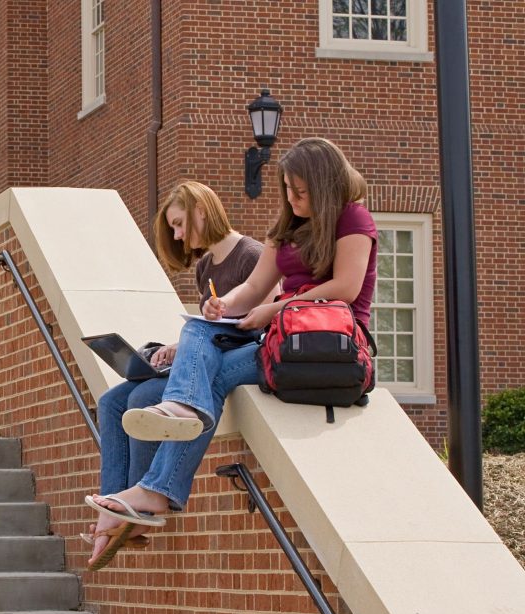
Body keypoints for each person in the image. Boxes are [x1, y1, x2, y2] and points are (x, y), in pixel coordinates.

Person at [87, 137, 378, 561]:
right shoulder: (287, 228)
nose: (293, 199)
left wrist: (274, 309)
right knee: (200, 330)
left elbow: (346, 289)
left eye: (301, 191)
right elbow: (253, 288)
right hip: (281, 338)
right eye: (288, 190)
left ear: (326, 184)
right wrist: (222, 305)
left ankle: (158, 485)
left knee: (217, 373)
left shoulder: (353, 218)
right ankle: (173, 433)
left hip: (326, 342)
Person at [87, 181, 264, 569]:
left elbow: (261, 320)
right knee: (115, 400)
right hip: (207, 351)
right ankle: (117, 504)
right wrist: (174, 350)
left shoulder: (252, 254)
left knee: (147, 396)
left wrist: (199, 337)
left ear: (202, 210)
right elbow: (211, 324)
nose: (180, 236)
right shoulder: (206, 266)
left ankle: (148, 499)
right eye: (175, 229)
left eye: (180, 224)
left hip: (242, 354)